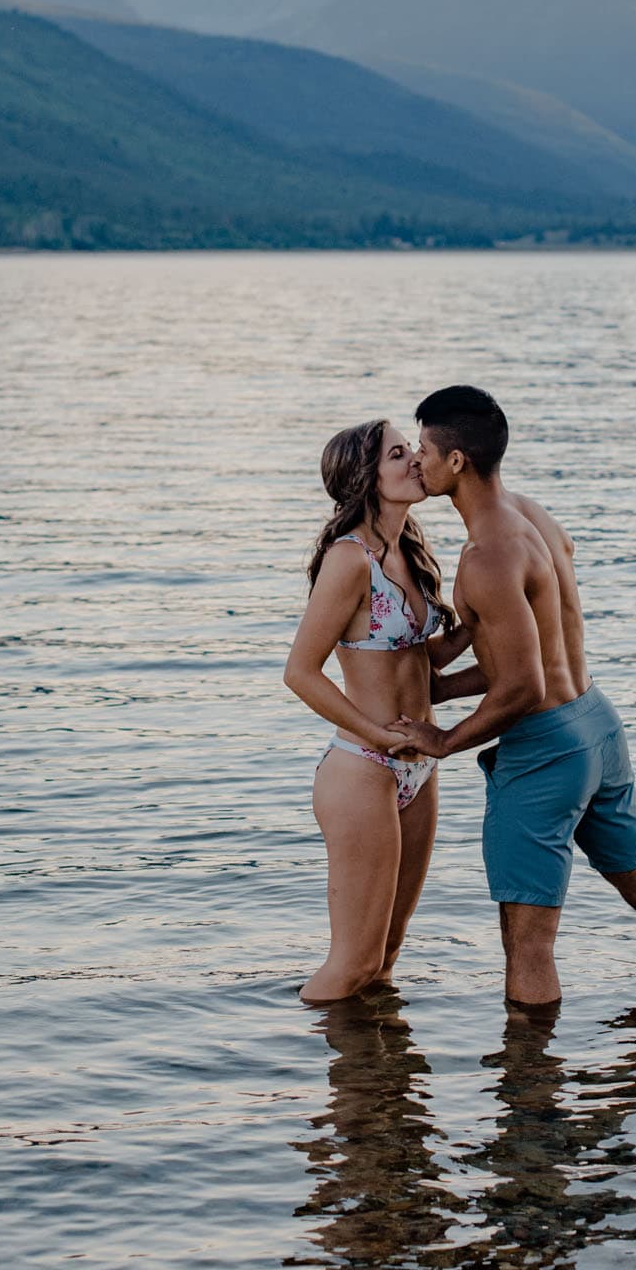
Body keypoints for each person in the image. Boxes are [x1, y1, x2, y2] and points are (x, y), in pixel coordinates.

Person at [390, 385, 636, 1006]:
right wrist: (444, 680)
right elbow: (530, 652)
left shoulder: (485, 558)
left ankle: (530, 1095)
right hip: (596, 723)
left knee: (529, 940)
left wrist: (442, 741)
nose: (417, 461)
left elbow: (522, 686)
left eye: (425, 449)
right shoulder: (530, 515)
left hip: (545, 750)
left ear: (456, 461)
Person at [284, 419, 471, 1004]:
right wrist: (377, 735)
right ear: (367, 477)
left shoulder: (408, 550)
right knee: (354, 963)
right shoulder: (349, 560)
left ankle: (380, 1089)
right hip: (364, 765)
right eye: (399, 454)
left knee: (387, 957)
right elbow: (300, 672)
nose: (416, 460)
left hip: (419, 766)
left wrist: (484, 620)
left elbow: (418, 662)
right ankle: (288, 1069)